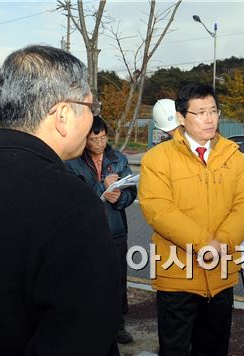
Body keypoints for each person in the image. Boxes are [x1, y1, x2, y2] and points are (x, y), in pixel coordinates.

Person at [0, 45, 120, 355]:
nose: (92, 119)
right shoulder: (74, 204)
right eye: (89, 107)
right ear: (62, 116)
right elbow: (83, 337)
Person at [139, 84, 244, 355]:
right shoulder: (158, 159)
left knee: (214, 348)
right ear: (181, 117)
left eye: (213, 111)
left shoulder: (233, 157)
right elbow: (159, 210)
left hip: (220, 275)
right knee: (175, 349)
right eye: (200, 112)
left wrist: (222, 243)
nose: (209, 119)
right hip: (177, 275)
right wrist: (205, 243)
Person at [65, 115, 137, 345]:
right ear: (85, 138)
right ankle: (89, 325)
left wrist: (119, 197)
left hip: (115, 231)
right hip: (87, 233)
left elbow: (131, 191)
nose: (99, 143)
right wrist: (102, 189)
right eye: (94, 139)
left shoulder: (118, 159)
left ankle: (118, 326)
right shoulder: (72, 161)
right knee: (88, 280)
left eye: (103, 137)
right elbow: (76, 195)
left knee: (117, 281)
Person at [152, 98, 244, 160]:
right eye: (173, 130)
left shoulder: (201, 137)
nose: (178, 132)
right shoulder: (162, 156)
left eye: (179, 127)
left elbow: (226, 146)